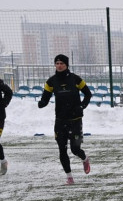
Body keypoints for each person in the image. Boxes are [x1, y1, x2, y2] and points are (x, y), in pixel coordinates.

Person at [38, 54, 93, 184]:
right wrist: (42, 103)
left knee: (75, 149)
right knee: (62, 150)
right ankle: (69, 177)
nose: (59, 66)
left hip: (75, 120)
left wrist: (82, 106)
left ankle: (84, 158)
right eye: (57, 63)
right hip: (60, 120)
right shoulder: (51, 81)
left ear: (67, 65)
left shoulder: (75, 79)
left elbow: (88, 94)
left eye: (62, 63)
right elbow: (45, 97)